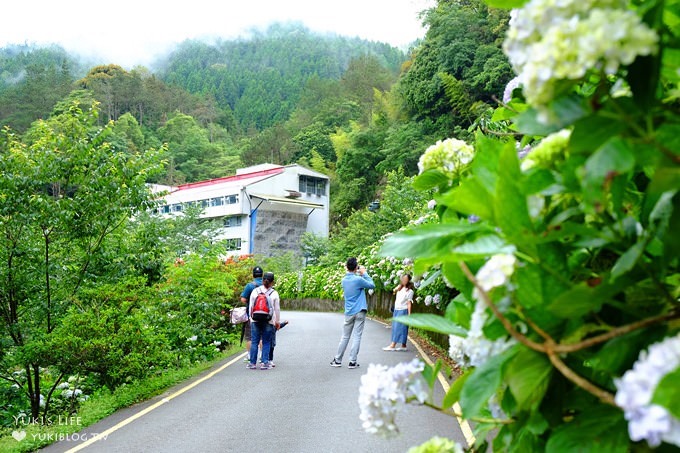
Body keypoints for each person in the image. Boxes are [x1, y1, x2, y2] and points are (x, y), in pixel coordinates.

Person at [330, 258, 375, 369]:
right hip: (360, 310)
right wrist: (364, 273)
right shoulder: (358, 279)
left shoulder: (344, 280)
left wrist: (357, 273)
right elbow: (372, 285)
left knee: (345, 337)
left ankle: (337, 360)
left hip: (349, 312)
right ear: (356, 267)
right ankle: (352, 361)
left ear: (347, 267)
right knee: (357, 336)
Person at [248, 272, 280, 370]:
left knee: (254, 341)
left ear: (262, 280)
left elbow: (251, 306)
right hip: (268, 321)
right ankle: (264, 363)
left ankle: (252, 363)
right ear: (272, 282)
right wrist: (277, 321)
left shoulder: (255, 291)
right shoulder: (274, 293)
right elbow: (277, 309)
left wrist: (251, 317)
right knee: (266, 342)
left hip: (255, 319)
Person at [383, 273, 415, 351]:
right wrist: (396, 289)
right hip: (397, 309)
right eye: (402, 279)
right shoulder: (399, 288)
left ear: (409, 281)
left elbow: (409, 303)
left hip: (403, 310)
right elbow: (394, 293)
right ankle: (403, 346)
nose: (403, 280)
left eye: (405, 279)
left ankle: (392, 345)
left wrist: (409, 315)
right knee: (398, 327)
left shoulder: (410, 291)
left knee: (399, 327)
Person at [240, 266, 263, 361]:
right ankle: (262, 356)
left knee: (250, 337)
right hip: (265, 316)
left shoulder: (250, 286)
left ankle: (250, 356)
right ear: (262, 275)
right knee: (262, 336)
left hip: (252, 315)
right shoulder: (266, 285)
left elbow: (243, 299)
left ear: (253, 275)